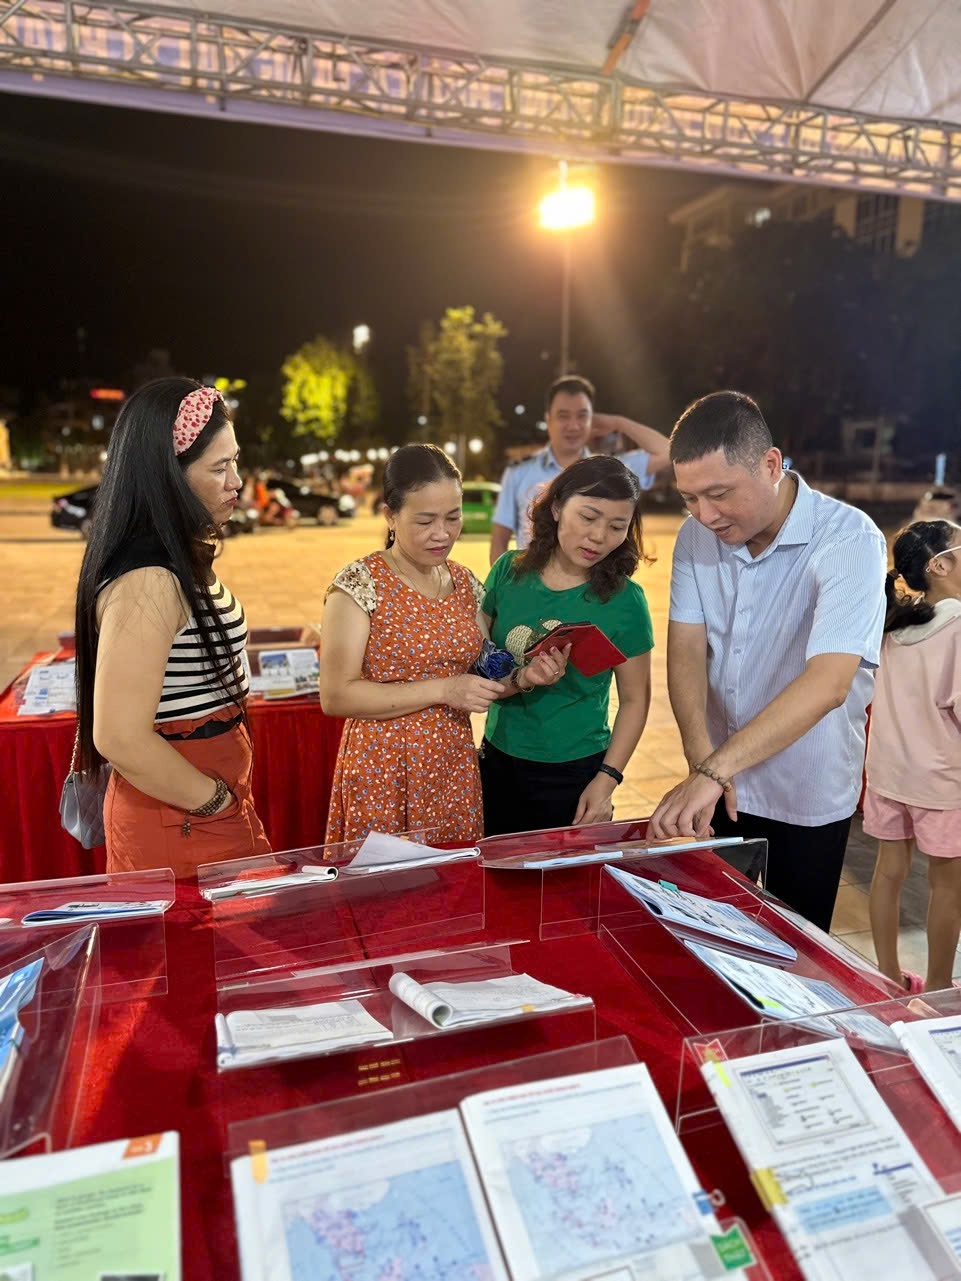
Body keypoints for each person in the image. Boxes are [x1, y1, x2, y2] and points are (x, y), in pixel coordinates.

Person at [649, 391, 886, 931]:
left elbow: (829, 683)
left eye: (719, 494)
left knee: (795, 946)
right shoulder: (695, 537)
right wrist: (700, 761)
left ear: (771, 465)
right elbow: (686, 651)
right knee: (712, 934)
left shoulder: (848, 540)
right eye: (689, 498)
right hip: (717, 781)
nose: (705, 515)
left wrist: (714, 769)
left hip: (805, 787)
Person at [320, 444, 565, 845]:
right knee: (389, 879)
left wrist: (525, 677)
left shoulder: (465, 582)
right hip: (383, 768)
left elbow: (489, 671)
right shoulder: (360, 584)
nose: (443, 533)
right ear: (390, 516)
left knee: (451, 877)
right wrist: (445, 690)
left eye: (453, 517)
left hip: (451, 767)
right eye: (425, 520)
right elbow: (336, 696)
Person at [74, 378, 270, 876]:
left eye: (235, 461)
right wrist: (212, 801)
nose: (236, 481)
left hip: (194, 802)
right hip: (181, 814)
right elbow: (119, 736)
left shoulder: (172, 559)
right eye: (219, 467)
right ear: (168, 478)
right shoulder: (150, 579)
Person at [481, 456, 654, 835]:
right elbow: (479, 657)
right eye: (588, 517)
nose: (599, 536)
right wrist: (522, 677)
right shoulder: (508, 571)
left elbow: (635, 700)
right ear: (557, 507)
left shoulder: (625, 602)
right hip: (497, 757)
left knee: (565, 872)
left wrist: (606, 780)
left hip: (576, 772)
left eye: (617, 526)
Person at [865, 520, 961, 993]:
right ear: (939, 565)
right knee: (948, 885)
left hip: (888, 773)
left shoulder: (894, 625)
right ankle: (940, 987)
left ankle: (887, 975)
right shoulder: (958, 627)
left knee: (889, 872)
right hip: (941, 782)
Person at [489, 375, 672, 564]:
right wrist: (502, 580)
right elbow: (500, 538)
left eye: (582, 416)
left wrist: (619, 423)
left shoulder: (613, 473)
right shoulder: (519, 473)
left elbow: (669, 452)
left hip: (596, 580)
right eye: (563, 416)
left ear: (593, 420)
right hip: (532, 577)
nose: (574, 426)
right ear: (548, 419)